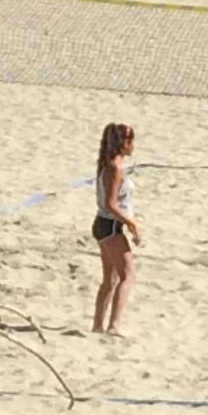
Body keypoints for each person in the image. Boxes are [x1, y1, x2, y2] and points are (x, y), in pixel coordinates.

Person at [91, 123, 140, 335]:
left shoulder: (112, 165)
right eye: (131, 141)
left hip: (105, 224)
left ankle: (97, 325)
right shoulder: (114, 168)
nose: (133, 145)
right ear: (124, 143)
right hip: (110, 225)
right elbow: (112, 204)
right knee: (128, 275)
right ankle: (113, 326)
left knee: (109, 279)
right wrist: (132, 223)